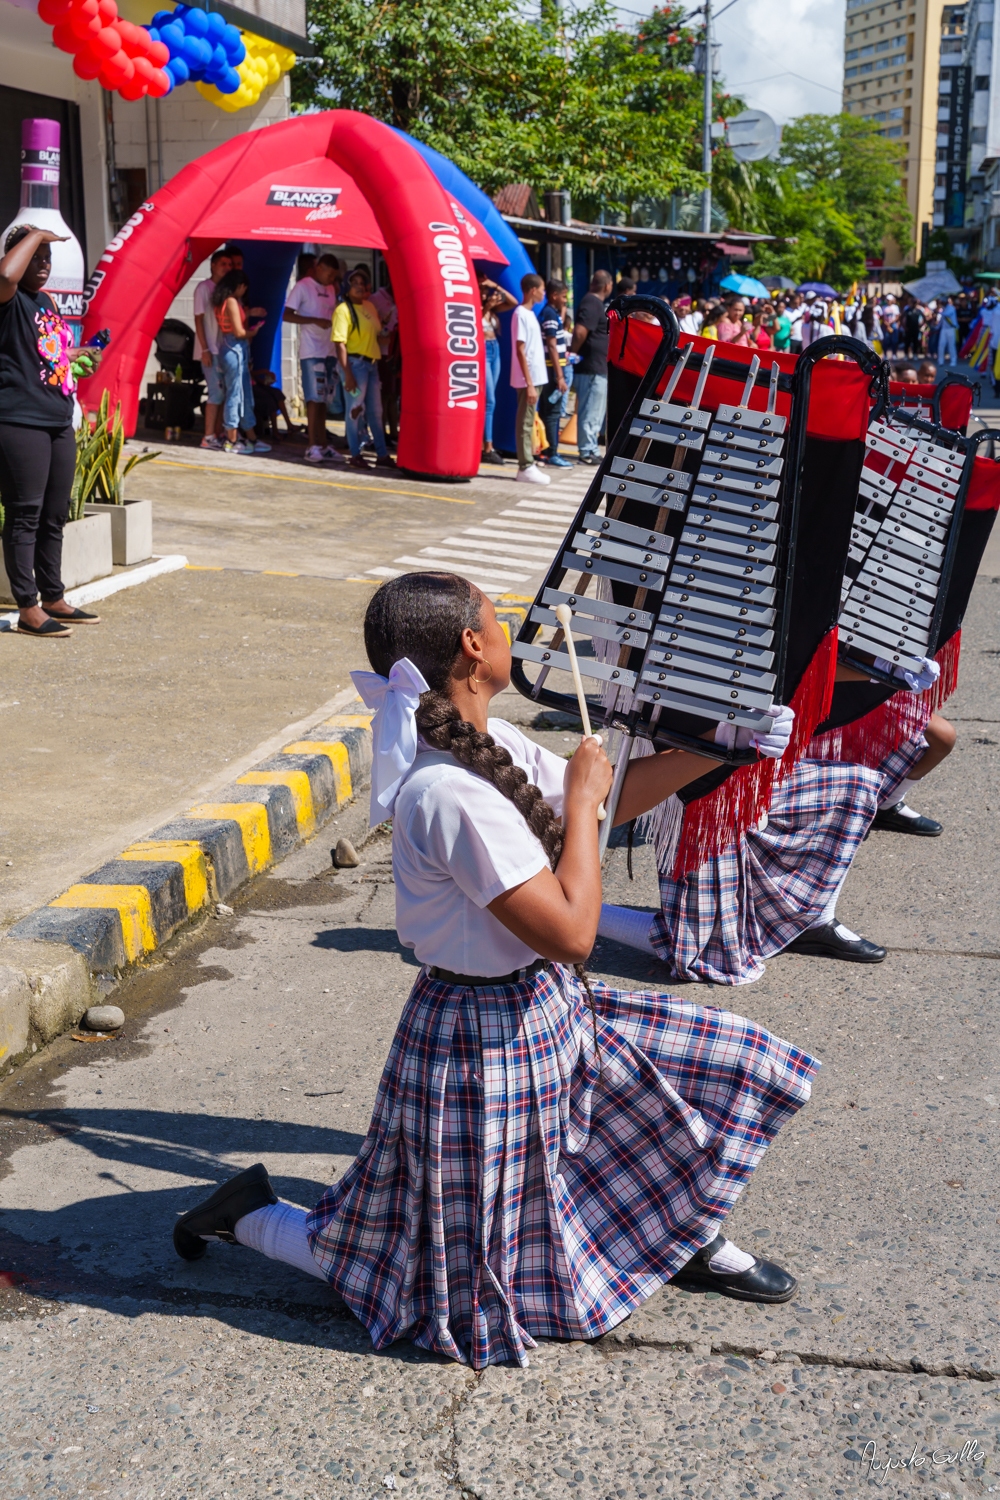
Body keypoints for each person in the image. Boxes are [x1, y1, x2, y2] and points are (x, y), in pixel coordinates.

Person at [171, 571, 817, 1368]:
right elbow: (573, 933)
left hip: (542, 1006)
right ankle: (251, 1216)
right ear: (474, 647)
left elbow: (609, 803)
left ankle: (680, 1234)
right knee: (414, 1272)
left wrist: (720, 747)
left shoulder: (492, 743)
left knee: (692, 1086)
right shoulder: (445, 794)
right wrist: (581, 805)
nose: (514, 630)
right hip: (477, 1040)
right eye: (500, 620)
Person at [0, 224, 101, 637]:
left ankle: (53, 595)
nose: (43, 264)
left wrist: (74, 354)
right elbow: (6, 275)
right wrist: (37, 233)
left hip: (57, 418)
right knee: (25, 513)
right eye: (35, 256)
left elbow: (42, 350)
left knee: (54, 514)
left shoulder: (45, 301)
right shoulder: (7, 298)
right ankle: (27, 607)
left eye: (47, 258)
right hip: (19, 420)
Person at [282, 254, 344, 465]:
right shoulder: (303, 286)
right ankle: (312, 445)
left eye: (334, 276)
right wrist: (313, 320)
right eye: (329, 274)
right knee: (313, 398)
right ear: (318, 268)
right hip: (311, 351)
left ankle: (323, 443)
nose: (331, 279)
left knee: (325, 398)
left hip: (329, 350)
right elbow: (287, 314)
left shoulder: (330, 289)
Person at [331, 269, 396, 471]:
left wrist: (390, 335)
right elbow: (340, 343)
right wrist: (347, 373)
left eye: (363, 283)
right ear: (347, 288)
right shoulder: (343, 310)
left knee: (376, 411)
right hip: (356, 365)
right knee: (354, 411)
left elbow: (376, 335)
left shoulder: (368, 306)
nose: (360, 286)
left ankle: (382, 454)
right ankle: (355, 453)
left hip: (372, 365)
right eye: (355, 283)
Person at [211, 269, 268, 455]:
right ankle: (232, 439)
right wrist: (254, 331)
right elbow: (239, 332)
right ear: (239, 286)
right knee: (235, 394)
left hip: (230, 347)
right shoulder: (232, 301)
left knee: (242, 393)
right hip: (235, 348)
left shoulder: (222, 301)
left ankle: (250, 437)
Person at [570, 269, 613, 466]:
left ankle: (591, 448)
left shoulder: (593, 303)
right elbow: (580, 332)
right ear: (607, 286)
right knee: (590, 411)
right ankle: (587, 450)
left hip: (595, 367)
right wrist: (573, 352)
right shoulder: (592, 303)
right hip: (591, 368)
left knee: (594, 411)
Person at [510, 271, 549, 485]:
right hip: (529, 380)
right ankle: (525, 465)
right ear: (533, 290)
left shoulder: (530, 314)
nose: (544, 294)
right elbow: (520, 350)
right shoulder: (520, 314)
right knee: (525, 422)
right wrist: (530, 383)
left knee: (529, 420)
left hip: (535, 378)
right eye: (542, 290)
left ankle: (528, 463)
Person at [192, 247, 232, 450]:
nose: (226, 268)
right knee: (216, 393)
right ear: (213, 266)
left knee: (223, 393)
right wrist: (205, 349)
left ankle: (216, 434)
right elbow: (198, 319)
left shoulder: (225, 292)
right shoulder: (203, 288)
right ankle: (207, 436)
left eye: (229, 265)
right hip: (210, 350)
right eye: (222, 264)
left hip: (223, 349)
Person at [478, 273, 517, 466]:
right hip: (483, 351)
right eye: (482, 288)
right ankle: (487, 445)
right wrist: (486, 307)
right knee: (489, 399)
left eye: (486, 289)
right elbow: (473, 325)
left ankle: (487, 443)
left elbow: (513, 301)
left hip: (494, 349)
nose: (485, 292)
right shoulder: (475, 308)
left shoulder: (492, 310)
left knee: (491, 398)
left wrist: (495, 285)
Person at [538, 279, 572, 468]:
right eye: (564, 296)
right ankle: (552, 453)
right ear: (554, 296)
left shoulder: (552, 313)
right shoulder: (550, 314)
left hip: (553, 368)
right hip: (553, 370)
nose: (565, 300)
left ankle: (546, 451)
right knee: (552, 413)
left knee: (549, 411)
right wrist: (559, 376)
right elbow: (551, 344)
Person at [370, 276, 401, 450]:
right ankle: (380, 433)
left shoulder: (400, 299)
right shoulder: (376, 298)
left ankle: (393, 432)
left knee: (393, 394)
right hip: (381, 352)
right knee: (382, 396)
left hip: (396, 351)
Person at [252, 368, 297, 442]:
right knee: (270, 400)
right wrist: (263, 371)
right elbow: (246, 373)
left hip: (255, 384)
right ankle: (275, 432)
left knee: (277, 393)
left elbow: (253, 378)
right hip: (250, 387)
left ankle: (289, 425)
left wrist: (264, 381)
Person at [938, 296, 958, 366]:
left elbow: (947, 314)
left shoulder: (951, 308)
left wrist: (939, 312)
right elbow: (941, 320)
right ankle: (941, 361)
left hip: (951, 329)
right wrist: (937, 327)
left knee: (951, 345)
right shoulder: (942, 309)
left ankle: (953, 361)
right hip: (944, 329)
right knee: (941, 345)